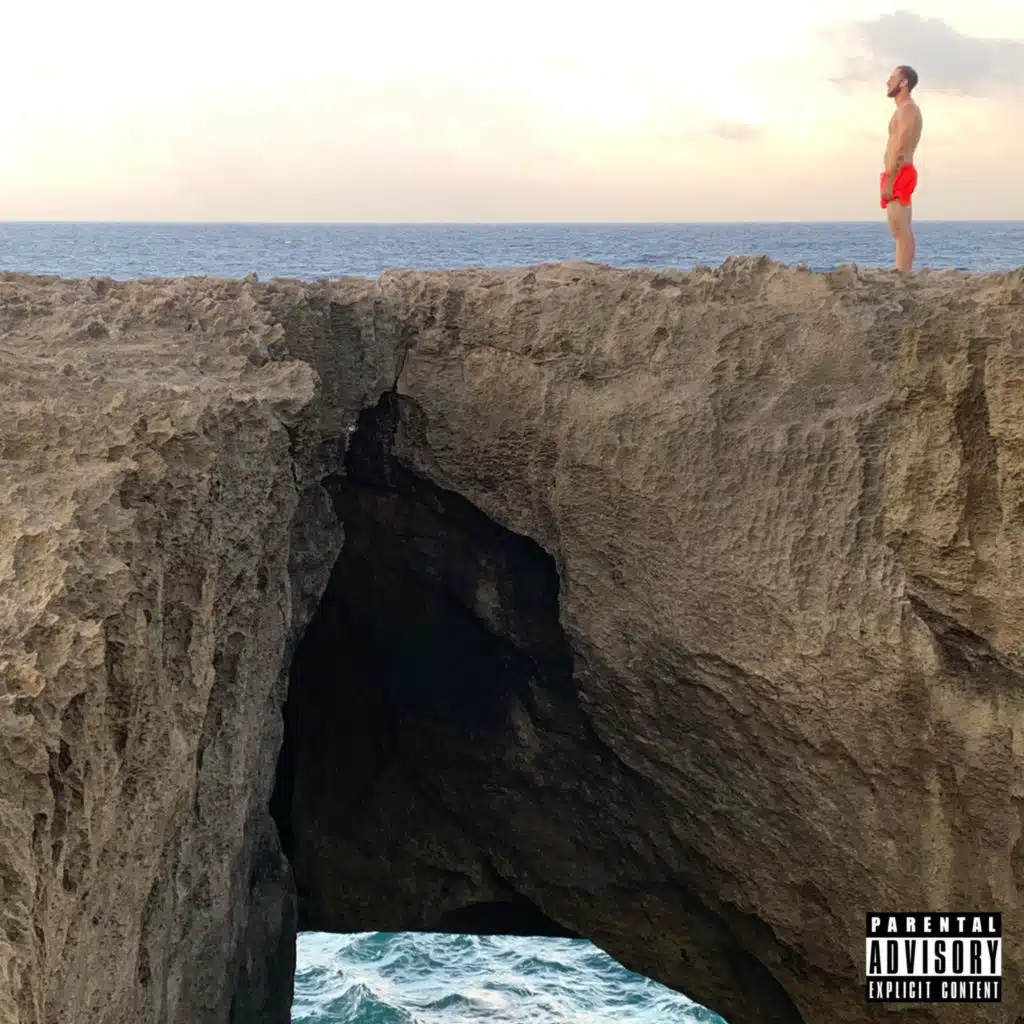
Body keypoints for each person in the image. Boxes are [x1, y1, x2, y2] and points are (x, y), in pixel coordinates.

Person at [880, 65, 923, 272]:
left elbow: (903, 143)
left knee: (901, 228)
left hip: (899, 172)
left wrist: (891, 176)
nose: (888, 82)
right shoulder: (901, 110)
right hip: (894, 172)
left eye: (893, 77)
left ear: (904, 82)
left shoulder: (908, 109)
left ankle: (903, 273)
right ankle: (902, 271)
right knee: (897, 228)